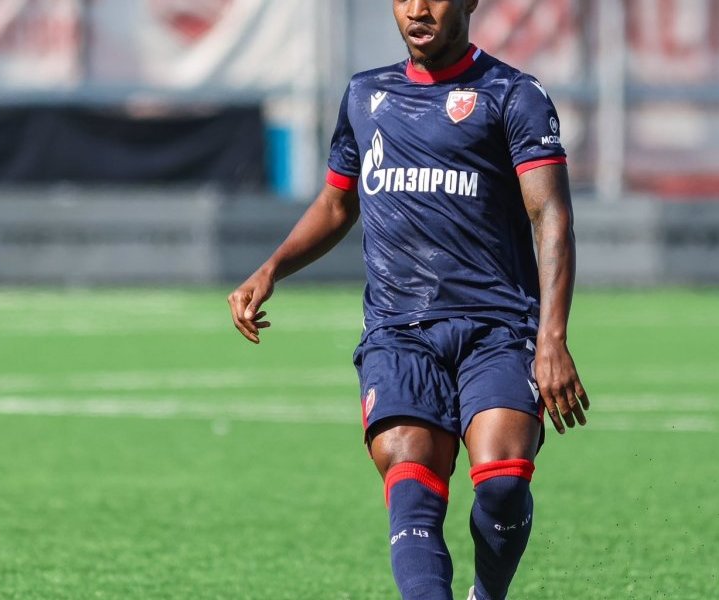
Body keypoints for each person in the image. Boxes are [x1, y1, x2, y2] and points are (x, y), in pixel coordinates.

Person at [227, 1, 588, 598]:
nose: (417, 9)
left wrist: (551, 338)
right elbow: (337, 203)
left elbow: (550, 213)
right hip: (398, 333)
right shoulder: (365, 95)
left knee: (503, 481)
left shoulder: (513, 95)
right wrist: (271, 269)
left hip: (497, 328)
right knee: (412, 480)